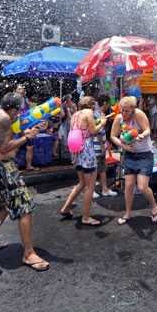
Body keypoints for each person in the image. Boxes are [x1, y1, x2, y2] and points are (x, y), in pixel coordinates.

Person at [0, 93, 49, 271]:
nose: (19, 114)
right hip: (3, 166)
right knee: (25, 206)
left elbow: (4, 138)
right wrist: (27, 137)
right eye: (18, 110)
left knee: (4, 207)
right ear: (12, 108)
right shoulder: (3, 119)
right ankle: (28, 253)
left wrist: (26, 131)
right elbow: (4, 147)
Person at [111, 96, 157, 225]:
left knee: (142, 187)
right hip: (129, 155)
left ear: (133, 110)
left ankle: (155, 208)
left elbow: (148, 130)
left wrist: (141, 135)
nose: (123, 113)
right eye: (122, 110)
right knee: (128, 186)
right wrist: (124, 146)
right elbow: (113, 136)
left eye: (127, 111)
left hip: (145, 155)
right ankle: (127, 214)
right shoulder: (119, 118)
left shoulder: (139, 114)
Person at [58, 96, 107, 225]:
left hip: (76, 151)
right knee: (90, 186)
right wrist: (102, 122)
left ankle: (65, 208)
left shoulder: (75, 114)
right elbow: (93, 131)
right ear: (91, 105)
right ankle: (86, 217)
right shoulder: (89, 113)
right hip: (86, 150)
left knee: (81, 183)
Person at [93, 94, 117, 198]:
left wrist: (106, 142)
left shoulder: (100, 113)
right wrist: (103, 146)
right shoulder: (97, 114)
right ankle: (91, 190)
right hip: (97, 146)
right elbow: (97, 132)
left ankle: (104, 189)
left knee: (102, 168)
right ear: (105, 103)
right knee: (95, 169)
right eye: (109, 103)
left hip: (100, 144)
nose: (109, 106)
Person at [16, 85, 36, 170]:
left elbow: (31, 112)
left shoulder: (27, 100)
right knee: (15, 147)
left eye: (23, 89)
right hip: (17, 127)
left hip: (28, 126)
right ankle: (13, 166)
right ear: (16, 91)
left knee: (30, 147)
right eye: (19, 89)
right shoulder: (14, 101)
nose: (21, 90)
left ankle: (28, 165)